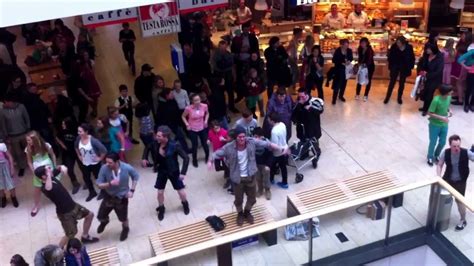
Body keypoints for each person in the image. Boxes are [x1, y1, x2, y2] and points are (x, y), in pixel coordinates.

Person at [208, 126, 288, 225]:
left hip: (250, 176)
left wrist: (281, 148)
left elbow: (268, 144)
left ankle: (247, 212)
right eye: (239, 137)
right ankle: (240, 214)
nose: (242, 139)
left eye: (243, 136)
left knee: (252, 198)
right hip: (237, 178)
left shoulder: (251, 142)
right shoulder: (229, 147)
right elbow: (217, 153)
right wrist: (210, 161)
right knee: (238, 200)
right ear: (235, 138)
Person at [35, 165, 99, 247]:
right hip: (65, 214)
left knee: (90, 215)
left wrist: (62, 167)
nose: (50, 170)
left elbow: (58, 169)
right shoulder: (45, 187)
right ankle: (59, 251)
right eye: (48, 170)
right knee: (70, 234)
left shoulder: (51, 176)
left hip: (73, 206)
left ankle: (85, 236)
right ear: (44, 176)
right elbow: (49, 187)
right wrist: (48, 174)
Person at [142, 126, 190, 221]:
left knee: (181, 192)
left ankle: (185, 203)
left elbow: (186, 158)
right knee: (160, 192)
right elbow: (147, 147)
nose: (156, 137)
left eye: (159, 136)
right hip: (162, 170)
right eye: (157, 135)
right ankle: (161, 207)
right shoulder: (155, 143)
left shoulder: (175, 145)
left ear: (165, 137)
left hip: (173, 171)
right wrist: (144, 158)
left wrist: (183, 172)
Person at [96, 152, 139, 241]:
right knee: (100, 215)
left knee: (123, 217)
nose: (107, 164)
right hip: (109, 196)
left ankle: (125, 229)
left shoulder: (126, 167)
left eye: (110, 163)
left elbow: (135, 177)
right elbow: (99, 185)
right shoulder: (104, 168)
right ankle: (104, 222)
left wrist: (132, 190)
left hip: (121, 198)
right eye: (106, 162)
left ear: (117, 161)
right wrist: (109, 184)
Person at [437, 135, 474, 231]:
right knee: (441, 197)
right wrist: (438, 176)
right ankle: (439, 216)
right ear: (450, 145)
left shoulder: (466, 153)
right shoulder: (445, 153)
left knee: (460, 201)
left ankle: (463, 220)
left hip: (460, 181)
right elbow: (440, 164)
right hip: (448, 179)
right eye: (454, 146)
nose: (457, 148)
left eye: (458, 146)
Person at [26, 130, 57, 216]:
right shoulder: (28, 149)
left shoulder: (46, 145)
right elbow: (29, 162)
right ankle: (36, 206)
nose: (27, 142)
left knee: (54, 185)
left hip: (48, 169)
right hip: (38, 171)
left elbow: (53, 155)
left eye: (29, 140)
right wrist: (34, 172)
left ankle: (58, 200)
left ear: (35, 139)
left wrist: (54, 167)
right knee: (37, 190)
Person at [75, 123, 107, 201]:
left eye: (80, 131)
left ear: (86, 132)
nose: (78, 133)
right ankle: (92, 192)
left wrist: (99, 158)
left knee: (98, 178)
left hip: (95, 164)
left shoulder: (93, 140)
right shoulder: (78, 139)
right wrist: (79, 156)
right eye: (78, 131)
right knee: (86, 178)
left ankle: (103, 191)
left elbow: (104, 150)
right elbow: (76, 147)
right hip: (85, 163)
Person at [0, 93, 30, 177]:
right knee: (18, 153)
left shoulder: (21, 107)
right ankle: (22, 167)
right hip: (12, 135)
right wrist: (6, 136)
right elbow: (3, 124)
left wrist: (28, 128)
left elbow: (26, 118)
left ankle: (33, 163)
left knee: (29, 149)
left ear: (9, 101)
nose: (4, 104)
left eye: (5, 102)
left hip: (24, 132)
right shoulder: (3, 111)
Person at [291, 88, 324, 162]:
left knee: (314, 142)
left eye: (303, 96)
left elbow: (320, 110)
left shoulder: (314, 101)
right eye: (300, 97)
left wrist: (310, 108)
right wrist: (299, 104)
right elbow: (293, 114)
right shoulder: (299, 102)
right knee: (303, 141)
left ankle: (317, 152)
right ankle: (305, 153)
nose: (301, 98)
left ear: (307, 94)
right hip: (302, 128)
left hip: (312, 128)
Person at [156, 88, 190, 153]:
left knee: (179, 137)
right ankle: (184, 150)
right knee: (179, 137)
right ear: (166, 95)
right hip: (169, 125)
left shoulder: (173, 101)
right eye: (171, 94)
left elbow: (176, 111)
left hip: (176, 123)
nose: (173, 94)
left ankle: (184, 149)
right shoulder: (162, 106)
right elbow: (161, 117)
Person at [385, 36, 415, 104]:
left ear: (403, 43)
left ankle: (399, 98)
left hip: (404, 67)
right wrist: (391, 65)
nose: (397, 44)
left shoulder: (409, 47)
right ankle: (387, 97)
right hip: (395, 66)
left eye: (399, 43)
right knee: (392, 82)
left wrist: (410, 66)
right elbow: (390, 56)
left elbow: (412, 57)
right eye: (397, 42)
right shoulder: (394, 46)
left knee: (402, 83)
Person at [182, 93, 209, 167]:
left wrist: (206, 121)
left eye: (199, 100)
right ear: (192, 101)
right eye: (195, 100)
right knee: (195, 145)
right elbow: (183, 116)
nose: (198, 102)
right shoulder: (188, 108)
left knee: (205, 144)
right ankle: (194, 160)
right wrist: (187, 124)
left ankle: (207, 156)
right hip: (192, 128)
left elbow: (207, 113)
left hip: (202, 127)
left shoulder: (204, 106)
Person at [427, 85, 452, 166]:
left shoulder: (449, 98)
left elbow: (447, 106)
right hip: (434, 124)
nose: (452, 92)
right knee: (433, 142)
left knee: (443, 142)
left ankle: (436, 155)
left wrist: (449, 110)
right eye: (450, 91)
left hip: (444, 124)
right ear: (446, 92)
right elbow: (429, 113)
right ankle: (430, 157)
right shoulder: (436, 100)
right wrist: (441, 117)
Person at [56, 117, 81, 194]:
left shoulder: (76, 130)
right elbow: (57, 137)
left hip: (78, 151)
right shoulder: (61, 131)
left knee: (83, 168)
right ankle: (75, 184)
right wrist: (62, 145)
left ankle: (87, 182)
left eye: (64, 124)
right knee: (69, 169)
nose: (62, 125)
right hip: (68, 153)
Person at [418, 43, 444, 116]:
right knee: (425, 92)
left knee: (429, 94)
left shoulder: (440, 57)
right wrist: (422, 71)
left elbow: (439, 71)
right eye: (426, 49)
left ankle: (426, 110)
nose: (426, 50)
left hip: (435, 79)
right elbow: (423, 65)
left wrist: (427, 74)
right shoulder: (426, 55)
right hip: (427, 77)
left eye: (428, 49)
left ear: (433, 49)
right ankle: (425, 107)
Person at [212, 40, 238, 113]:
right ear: (219, 47)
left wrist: (234, 75)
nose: (223, 49)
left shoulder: (229, 54)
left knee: (230, 92)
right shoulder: (215, 55)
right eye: (221, 47)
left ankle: (232, 107)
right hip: (219, 74)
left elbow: (232, 65)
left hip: (228, 74)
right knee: (220, 92)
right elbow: (217, 65)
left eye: (224, 47)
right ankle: (222, 107)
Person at [268, 113, 289, 189]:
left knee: (272, 166)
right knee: (283, 167)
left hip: (277, 153)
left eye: (269, 119)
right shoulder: (282, 124)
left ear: (272, 120)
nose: (268, 120)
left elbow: (275, 145)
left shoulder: (274, 131)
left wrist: (270, 148)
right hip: (285, 148)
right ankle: (285, 182)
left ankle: (271, 179)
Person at [208, 120, 231, 190]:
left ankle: (228, 180)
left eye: (218, 127)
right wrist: (208, 140)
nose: (217, 129)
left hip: (224, 153)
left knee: (226, 167)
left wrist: (224, 140)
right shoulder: (210, 132)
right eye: (215, 128)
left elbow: (230, 141)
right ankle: (228, 170)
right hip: (216, 153)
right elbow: (210, 138)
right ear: (212, 128)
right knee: (217, 168)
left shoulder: (224, 132)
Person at [79, 51, 101, 118]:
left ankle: (95, 110)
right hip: (85, 84)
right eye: (85, 55)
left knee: (95, 98)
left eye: (87, 55)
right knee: (90, 99)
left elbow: (93, 73)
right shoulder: (80, 65)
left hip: (92, 82)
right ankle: (94, 109)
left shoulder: (91, 62)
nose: (86, 56)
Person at [252, 127, 272, 200]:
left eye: (258, 137)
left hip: (265, 165)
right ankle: (260, 190)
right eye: (255, 137)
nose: (257, 139)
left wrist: (268, 165)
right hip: (256, 164)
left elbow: (270, 155)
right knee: (258, 178)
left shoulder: (267, 143)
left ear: (262, 136)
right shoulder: (252, 144)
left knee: (266, 178)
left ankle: (267, 190)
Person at [331, 39, 353, 105]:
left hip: (346, 70)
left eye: (347, 45)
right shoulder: (337, 51)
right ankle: (334, 98)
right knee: (337, 84)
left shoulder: (349, 50)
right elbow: (334, 60)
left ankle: (341, 96)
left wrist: (349, 61)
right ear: (342, 45)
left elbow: (351, 58)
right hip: (339, 69)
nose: (346, 46)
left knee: (344, 84)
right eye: (345, 45)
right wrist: (341, 63)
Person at [0, 141, 18, 207]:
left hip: (5, 167)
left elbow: (10, 157)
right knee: (0, 185)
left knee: (10, 183)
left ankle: (13, 197)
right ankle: (3, 198)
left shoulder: (2, 145)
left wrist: (12, 167)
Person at [457, 46, 474, 112]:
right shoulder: (472, 51)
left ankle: (472, 104)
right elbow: (460, 59)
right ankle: (466, 104)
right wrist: (466, 67)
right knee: (469, 89)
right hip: (472, 73)